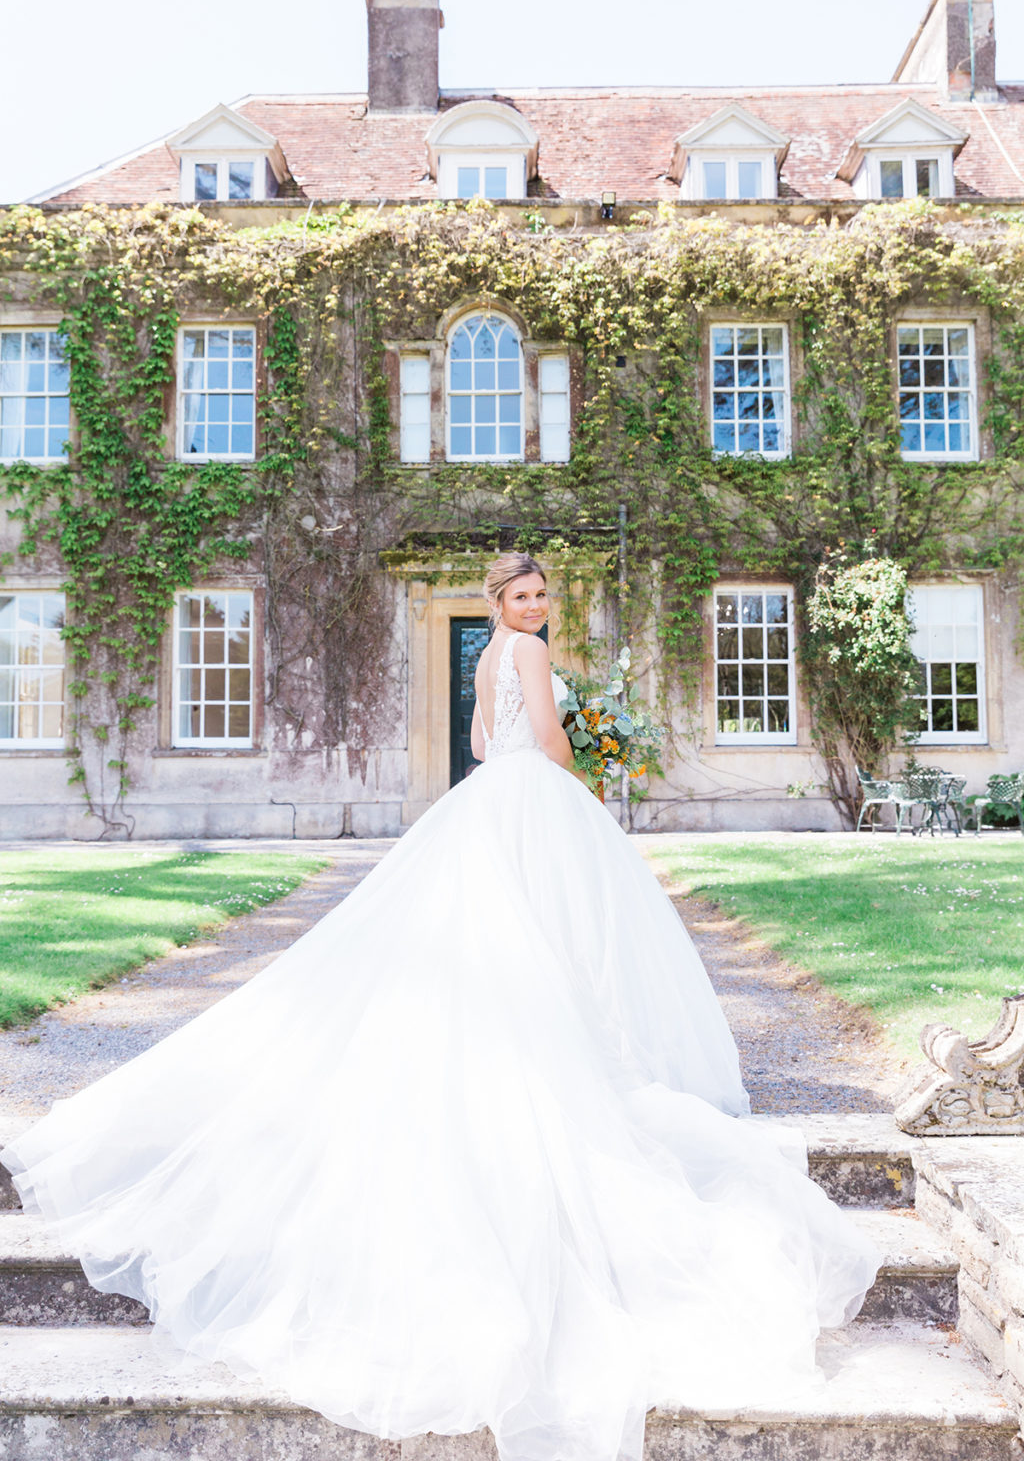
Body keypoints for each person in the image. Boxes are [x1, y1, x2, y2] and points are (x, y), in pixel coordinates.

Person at [1, 551, 881, 1461]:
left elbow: (473, 749)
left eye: (542, 595)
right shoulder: (531, 657)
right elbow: (546, 741)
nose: (537, 605)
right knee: (554, 939)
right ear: (498, 601)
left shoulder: (486, 656)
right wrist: (584, 764)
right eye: (523, 595)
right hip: (534, 799)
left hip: (486, 803)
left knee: (497, 944)